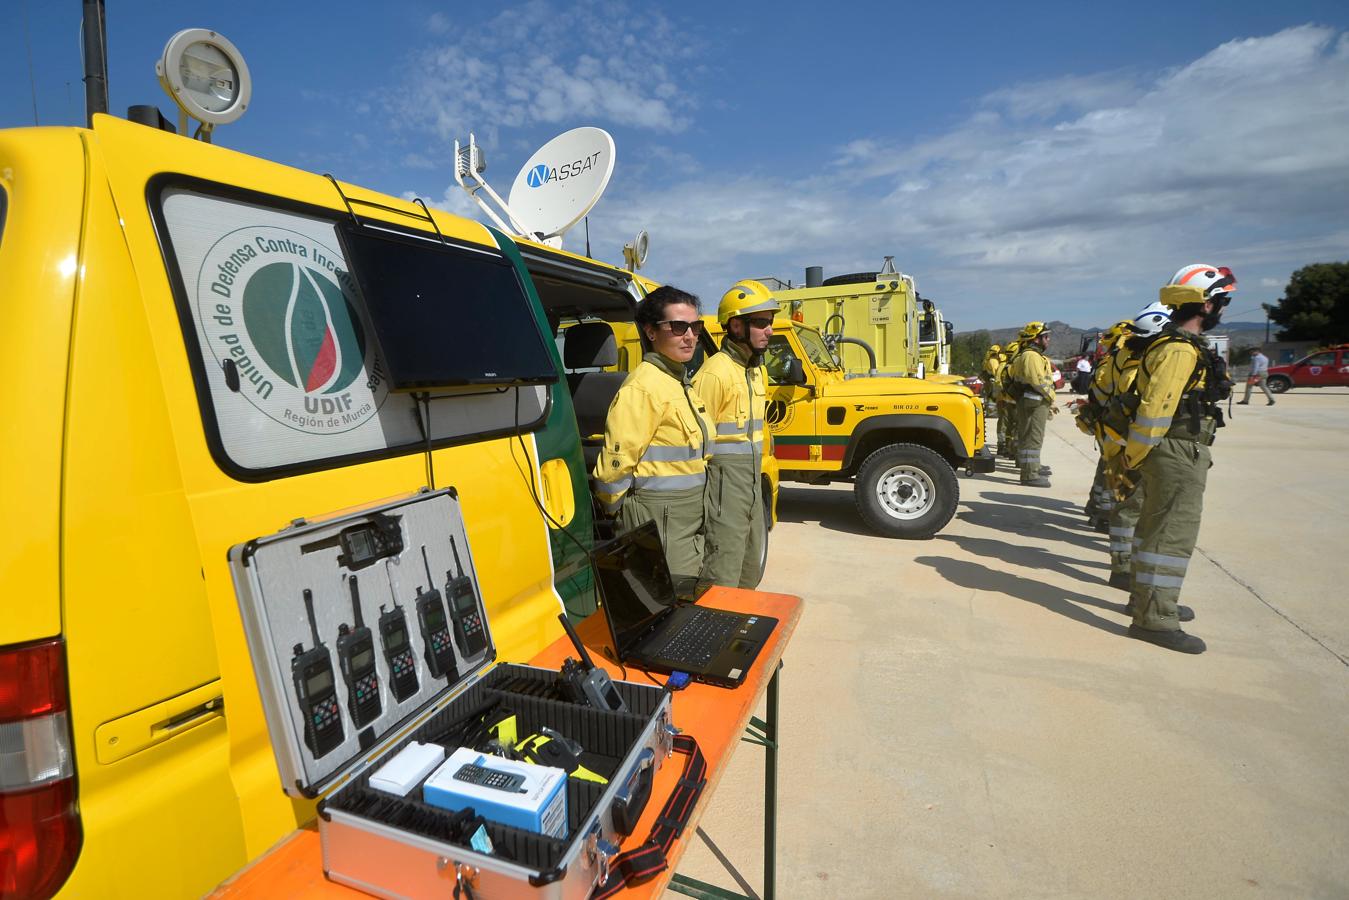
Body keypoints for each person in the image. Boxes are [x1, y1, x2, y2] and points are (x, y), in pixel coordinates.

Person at [1108, 263, 1236, 654]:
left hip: (1168, 450)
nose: (1223, 310)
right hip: (1175, 450)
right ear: (1205, 305)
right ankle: (1155, 619)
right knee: (1170, 535)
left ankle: (1147, 601)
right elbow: (1156, 409)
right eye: (1221, 302)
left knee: (1154, 532)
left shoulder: (1170, 345)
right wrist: (1135, 458)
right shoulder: (1180, 350)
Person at [592, 286, 714, 579]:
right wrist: (625, 517)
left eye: (695, 327)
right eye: (678, 327)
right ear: (651, 332)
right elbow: (612, 471)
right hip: (658, 521)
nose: (690, 336)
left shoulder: (678, 383)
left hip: (687, 519)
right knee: (669, 602)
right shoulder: (644, 387)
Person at [693, 280, 777, 588]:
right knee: (723, 568)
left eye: (771, 322)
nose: (769, 330)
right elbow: (695, 444)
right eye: (761, 323)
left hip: (751, 485)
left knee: (750, 565)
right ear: (736, 326)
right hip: (723, 491)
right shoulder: (715, 373)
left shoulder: (755, 371)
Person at [1088, 304, 1170, 588]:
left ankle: (1123, 563)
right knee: (1129, 504)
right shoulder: (1142, 363)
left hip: (1119, 436)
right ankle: (1123, 567)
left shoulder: (1121, 361)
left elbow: (1100, 394)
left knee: (1124, 500)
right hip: (1130, 442)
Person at [1007, 322, 1057, 487]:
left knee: (1027, 436)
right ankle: (1030, 475)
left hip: (1030, 401)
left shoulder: (1026, 355)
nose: (1048, 340)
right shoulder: (1032, 356)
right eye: (1046, 337)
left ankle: (1029, 468)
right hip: (1035, 402)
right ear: (1036, 339)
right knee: (1033, 438)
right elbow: (1037, 380)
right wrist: (1051, 396)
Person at [996, 340, 1020, 460]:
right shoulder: (1014, 366)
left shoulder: (1003, 366)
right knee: (1015, 427)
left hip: (1006, 399)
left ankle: (1009, 449)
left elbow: (998, 382)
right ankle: (1014, 452)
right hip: (1013, 401)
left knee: (1009, 427)